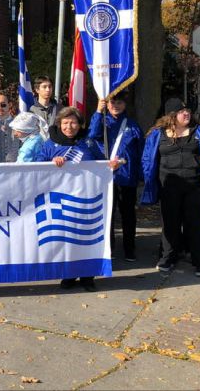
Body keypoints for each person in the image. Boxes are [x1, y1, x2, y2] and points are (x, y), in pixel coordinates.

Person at [36, 107, 120, 292]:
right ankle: (68, 275)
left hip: (86, 198)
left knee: (86, 238)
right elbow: (37, 166)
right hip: (62, 200)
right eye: (65, 123)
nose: (69, 126)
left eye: (73, 122)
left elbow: (102, 163)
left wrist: (112, 165)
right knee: (66, 239)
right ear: (59, 124)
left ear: (80, 124)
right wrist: (50, 163)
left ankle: (87, 277)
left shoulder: (88, 142)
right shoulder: (50, 144)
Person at [141, 98, 200, 278]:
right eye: (181, 111)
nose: (186, 113)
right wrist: (148, 178)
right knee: (169, 224)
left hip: (195, 187)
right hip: (168, 187)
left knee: (194, 225)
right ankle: (168, 258)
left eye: (188, 110)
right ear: (171, 115)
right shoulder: (157, 134)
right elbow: (147, 158)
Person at [88, 92, 144, 261]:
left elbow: (141, 151)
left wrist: (140, 174)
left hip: (127, 177)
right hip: (106, 177)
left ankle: (129, 248)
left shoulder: (133, 125)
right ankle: (108, 248)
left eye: (119, 102)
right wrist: (98, 112)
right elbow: (91, 135)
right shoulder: (102, 122)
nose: (115, 106)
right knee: (107, 214)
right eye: (112, 102)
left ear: (125, 105)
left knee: (128, 215)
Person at [29, 75, 60, 139]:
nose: (48, 90)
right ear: (37, 90)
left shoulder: (59, 109)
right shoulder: (30, 110)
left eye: (50, 87)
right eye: (44, 87)